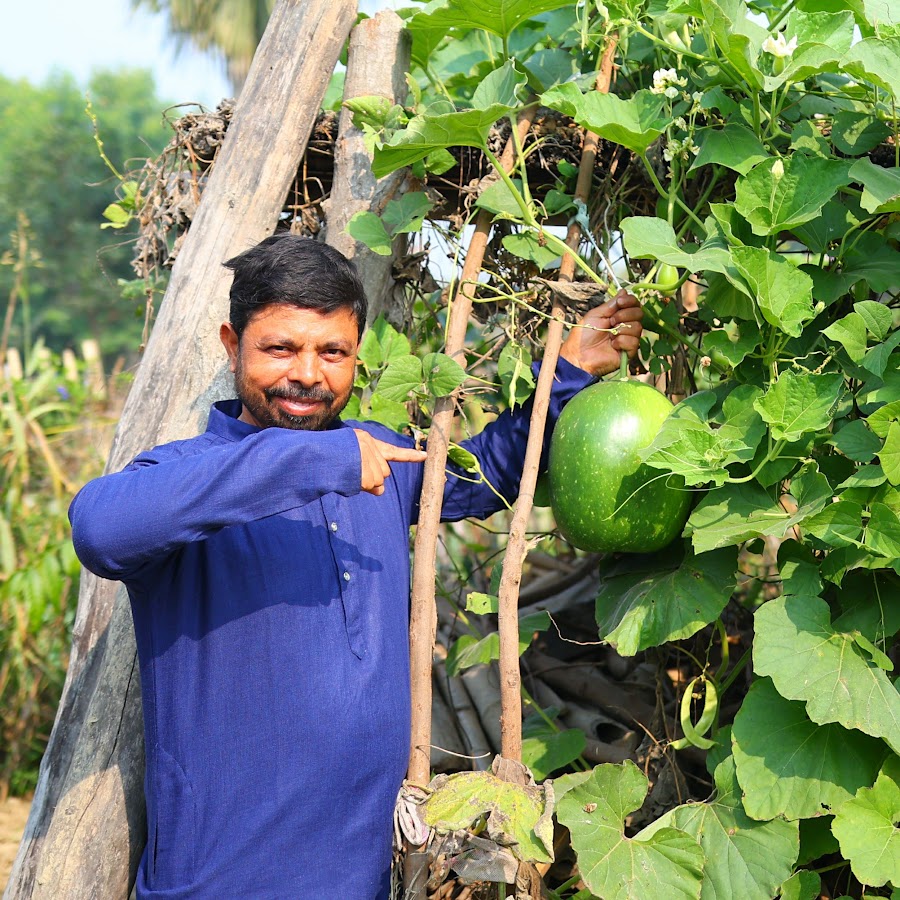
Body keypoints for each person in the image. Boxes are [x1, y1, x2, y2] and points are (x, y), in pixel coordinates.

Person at [69, 234, 643, 899]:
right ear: (232, 345)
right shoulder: (186, 480)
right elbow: (98, 528)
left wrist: (567, 372)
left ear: (356, 356)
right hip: (222, 883)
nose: (308, 374)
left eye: (333, 352)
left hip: (364, 881)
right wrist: (323, 460)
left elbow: (476, 476)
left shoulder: (380, 460)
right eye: (281, 348)